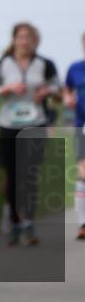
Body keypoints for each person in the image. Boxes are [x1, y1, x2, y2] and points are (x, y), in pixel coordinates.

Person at [0, 22, 59, 246]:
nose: (24, 41)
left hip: (35, 124)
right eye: (21, 37)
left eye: (29, 37)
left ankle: (29, 223)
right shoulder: (2, 64)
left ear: (35, 41)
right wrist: (4, 90)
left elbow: (58, 91)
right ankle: (15, 221)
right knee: (12, 175)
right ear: (14, 39)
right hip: (9, 124)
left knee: (30, 176)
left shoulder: (45, 65)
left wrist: (47, 91)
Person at [64, 32, 85, 241]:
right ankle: (83, 224)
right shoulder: (75, 68)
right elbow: (67, 89)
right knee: (83, 174)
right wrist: (68, 98)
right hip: (82, 126)